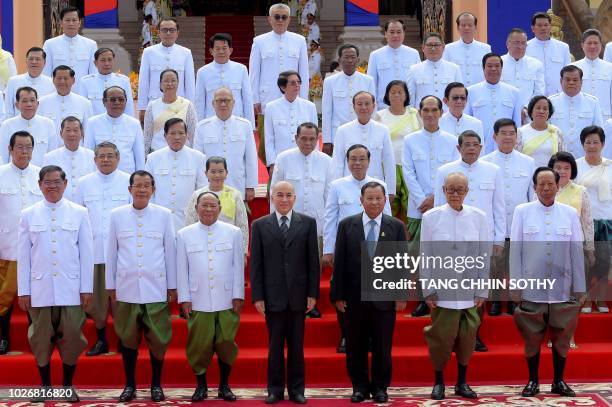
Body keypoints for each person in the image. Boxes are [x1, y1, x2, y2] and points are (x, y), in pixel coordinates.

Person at [17, 165, 94, 402]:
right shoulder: (28, 214)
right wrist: (24, 290)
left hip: (71, 289)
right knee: (39, 339)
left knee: (72, 338)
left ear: (66, 184)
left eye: (57, 182)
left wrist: (86, 288)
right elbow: (24, 256)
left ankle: (68, 386)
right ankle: (45, 386)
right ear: (39, 185)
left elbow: (87, 253)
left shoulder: (79, 212)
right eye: (47, 183)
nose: (52, 187)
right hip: (40, 289)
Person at [510, 167, 585, 398]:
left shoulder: (570, 213)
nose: (545, 188)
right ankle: (533, 381)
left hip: (562, 288)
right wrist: (515, 283)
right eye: (541, 184)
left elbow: (576, 251)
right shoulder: (522, 211)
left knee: (562, 338)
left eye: (550, 184)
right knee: (532, 338)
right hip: (532, 287)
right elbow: (516, 249)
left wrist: (580, 286)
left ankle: (558, 381)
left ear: (557, 186)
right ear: (534, 187)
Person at [330, 181, 407, 403]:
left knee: (383, 347)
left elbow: (401, 263)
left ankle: (381, 387)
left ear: (385, 201)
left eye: (378, 198)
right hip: (354, 299)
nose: (374, 202)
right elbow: (340, 262)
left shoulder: (396, 226)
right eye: (369, 198)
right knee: (355, 346)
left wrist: (401, 293)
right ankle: (359, 387)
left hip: (384, 300)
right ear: (361, 200)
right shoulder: (347, 225)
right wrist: (338, 295)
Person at [105, 170, 177, 402]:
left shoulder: (164, 215)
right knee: (127, 339)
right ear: (129, 189)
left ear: (153, 190)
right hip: (126, 288)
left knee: (158, 339)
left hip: (156, 287)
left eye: (147, 185)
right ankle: (130, 385)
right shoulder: (117, 215)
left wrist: (172, 285)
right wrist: (110, 285)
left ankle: (156, 384)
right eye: (138, 185)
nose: (142, 189)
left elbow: (170, 252)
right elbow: (111, 252)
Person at [421, 172, 491, 400]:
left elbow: (484, 255)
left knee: (467, 338)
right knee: (441, 338)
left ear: (467, 192)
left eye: (460, 189)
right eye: (450, 189)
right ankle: (439, 382)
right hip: (442, 289)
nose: (455, 193)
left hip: (470, 290)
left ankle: (462, 382)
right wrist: (428, 288)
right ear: (443, 191)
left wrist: (482, 289)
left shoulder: (479, 217)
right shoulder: (431, 217)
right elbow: (426, 254)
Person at [435, 131, 506, 351]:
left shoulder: (493, 171)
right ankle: (452, 335)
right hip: (451, 240)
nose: (472, 148)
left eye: (476, 145)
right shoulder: (445, 171)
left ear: (481, 147)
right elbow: (438, 210)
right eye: (467, 145)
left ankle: (474, 335)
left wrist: (499, 240)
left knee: (477, 289)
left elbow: (499, 208)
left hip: (480, 239)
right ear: (459, 148)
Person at [250, 181, 320, 404]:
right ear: (272, 197)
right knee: (275, 346)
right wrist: (258, 296)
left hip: (299, 296)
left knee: (297, 347)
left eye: (288, 195)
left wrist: (312, 294)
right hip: (273, 297)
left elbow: (313, 262)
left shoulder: (307, 223)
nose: (284, 199)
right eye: (279, 195)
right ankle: (275, 389)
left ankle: (297, 390)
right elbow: (256, 265)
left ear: (295, 198)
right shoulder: (260, 225)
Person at [323, 145, 391, 352]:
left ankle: (371, 336)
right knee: (344, 291)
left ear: (369, 161)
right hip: (347, 249)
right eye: (353, 159)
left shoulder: (380, 185)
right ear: (347, 161)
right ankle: (346, 335)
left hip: (374, 246)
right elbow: (330, 217)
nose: (358, 163)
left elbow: (387, 217)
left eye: (362, 159)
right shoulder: (337, 185)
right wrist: (328, 249)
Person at [177, 191, 244, 402]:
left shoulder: (233, 232)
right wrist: (184, 298)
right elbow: (181, 269)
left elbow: (238, 267)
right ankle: (201, 386)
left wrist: (238, 295)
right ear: (196, 208)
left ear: (220, 209)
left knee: (226, 342)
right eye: (204, 206)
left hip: (226, 298)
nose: (208, 209)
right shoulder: (184, 234)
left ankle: (224, 385)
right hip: (198, 299)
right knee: (199, 345)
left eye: (212, 206)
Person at [402, 95, 459, 317]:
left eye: (434, 110)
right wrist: (421, 200)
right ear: (419, 113)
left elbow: (454, 172)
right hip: (418, 209)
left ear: (441, 112)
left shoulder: (452, 140)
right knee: (418, 255)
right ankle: (422, 299)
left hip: (443, 206)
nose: (430, 114)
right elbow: (408, 171)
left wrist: (437, 198)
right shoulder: (410, 140)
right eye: (425, 110)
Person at [74, 141, 131, 357]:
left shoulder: (129, 181)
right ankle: (101, 340)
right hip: (94, 251)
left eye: (110, 155)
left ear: (118, 158)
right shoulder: (84, 183)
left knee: (121, 299)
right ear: (94, 159)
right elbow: (78, 217)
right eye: (101, 156)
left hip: (121, 252)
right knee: (97, 301)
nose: (106, 160)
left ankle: (125, 340)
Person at [270, 122, 332, 318]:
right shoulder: (284, 158)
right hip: (289, 223)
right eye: (303, 138)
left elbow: (329, 197)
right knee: (291, 265)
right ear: (296, 138)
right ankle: (290, 302)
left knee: (313, 266)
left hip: (317, 223)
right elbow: (274, 192)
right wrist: (275, 224)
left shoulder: (326, 161)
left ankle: (311, 302)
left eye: (312, 139)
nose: (307, 142)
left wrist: (329, 228)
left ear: (317, 139)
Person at [482, 118, 535, 316]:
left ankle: (514, 300)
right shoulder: (485, 162)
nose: (508, 137)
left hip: (518, 222)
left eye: (511, 133)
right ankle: (495, 300)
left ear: (516, 136)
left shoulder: (528, 162)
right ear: (495, 137)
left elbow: (531, 194)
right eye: (503, 133)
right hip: (495, 223)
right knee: (496, 264)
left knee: (517, 264)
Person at [0, 131, 43, 355]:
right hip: (6, 246)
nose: (24, 152)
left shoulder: (41, 176)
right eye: (20, 147)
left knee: (35, 296)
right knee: (3, 297)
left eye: (28, 147)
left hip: (36, 248)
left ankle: (37, 340)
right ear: (10, 149)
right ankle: (3, 337)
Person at [193, 87, 258, 201]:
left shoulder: (245, 125)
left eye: (227, 100)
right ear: (213, 103)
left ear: (233, 103)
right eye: (219, 101)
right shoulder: (202, 127)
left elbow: (251, 158)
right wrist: (200, 187)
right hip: (209, 187)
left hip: (236, 184)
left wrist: (250, 186)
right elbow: (198, 161)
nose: (223, 104)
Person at [145, 117, 207, 231]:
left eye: (181, 133)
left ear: (187, 135)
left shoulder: (198, 158)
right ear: (165, 136)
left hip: (188, 219)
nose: (177, 137)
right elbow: (149, 190)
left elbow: (202, 190)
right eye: (172, 133)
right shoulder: (153, 158)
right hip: (160, 219)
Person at [249, 3, 309, 117]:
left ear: (289, 20)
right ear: (269, 19)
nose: (280, 20)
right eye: (277, 17)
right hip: (268, 96)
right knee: (268, 132)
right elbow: (254, 73)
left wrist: (304, 98)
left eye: (284, 17)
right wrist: (254, 98)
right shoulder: (259, 41)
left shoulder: (299, 40)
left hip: (293, 95)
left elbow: (304, 73)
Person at [331, 91, 396, 196]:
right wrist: (336, 189)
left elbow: (389, 162)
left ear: (374, 106)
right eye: (360, 104)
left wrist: (391, 190)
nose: (363, 107)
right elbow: (337, 162)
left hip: (376, 188)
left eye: (367, 104)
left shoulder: (383, 130)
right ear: (354, 107)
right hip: (348, 187)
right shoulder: (343, 130)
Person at [374, 80, 422, 220]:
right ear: (387, 96)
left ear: (406, 95)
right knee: (391, 204)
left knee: (410, 204)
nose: (396, 95)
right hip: (388, 166)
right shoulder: (380, 115)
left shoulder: (414, 113)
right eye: (393, 92)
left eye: (400, 92)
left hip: (410, 166)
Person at [575, 126, 611, 313]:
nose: (591, 145)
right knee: (586, 262)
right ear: (582, 144)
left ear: (603, 144)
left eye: (595, 142)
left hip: (606, 221)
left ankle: (601, 299)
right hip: (582, 221)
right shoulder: (575, 165)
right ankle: (586, 299)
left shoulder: (610, 165)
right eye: (587, 142)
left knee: (604, 262)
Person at [185, 156, 249, 254]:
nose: (217, 175)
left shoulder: (235, 195)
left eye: (220, 171)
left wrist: (243, 251)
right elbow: (190, 222)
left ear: (226, 173)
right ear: (206, 173)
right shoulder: (197, 195)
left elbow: (242, 225)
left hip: (228, 244)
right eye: (213, 172)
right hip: (202, 244)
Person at [548, 151, 595, 285]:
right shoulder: (544, 189)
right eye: (558, 167)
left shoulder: (581, 190)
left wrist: (590, 248)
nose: (562, 171)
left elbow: (587, 221)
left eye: (566, 168)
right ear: (551, 169)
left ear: (572, 169)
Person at [138, 17, 195, 122]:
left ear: (177, 33)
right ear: (158, 32)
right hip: (155, 104)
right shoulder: (149, 52)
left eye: (172, 30)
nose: (168, 33)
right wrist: (142, 107)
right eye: (164, 30)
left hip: (179, 106)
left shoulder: (185, 53)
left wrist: (190, 107)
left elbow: (190, 83)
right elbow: (144, 81)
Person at [322, 44, 375, 154]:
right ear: (339, 60)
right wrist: (327, 140)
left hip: (362, 132)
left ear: (358, 60)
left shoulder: (368, 80)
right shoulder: (330, 81)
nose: (350, 60)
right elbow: (327, 112)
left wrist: (372, 133)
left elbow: (372, 109)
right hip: (338, 133)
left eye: (353, 57)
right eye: (346, 57)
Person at [465, 53, 521, 154]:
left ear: (502, 68)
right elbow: (467, 119)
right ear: (483, 68)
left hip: (505, 146)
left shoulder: (514, 92)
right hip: (479, 146)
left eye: (497, 66)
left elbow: (517, 123)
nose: (493, 69)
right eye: (489, 66)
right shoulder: (471, 91)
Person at [195, 33, 254, 127]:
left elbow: (247, 99)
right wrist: (199, 125)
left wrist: (250, 124)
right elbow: (199, 102)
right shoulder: (202, 72)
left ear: (230, 50)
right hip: (211, 122)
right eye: (217, 48)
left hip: (237, 121)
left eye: (224, 48)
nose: (221, 51)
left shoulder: (241, 69)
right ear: (211, 51)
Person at [85, 86, 145, 174]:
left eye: (121, 99)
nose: (117, 103)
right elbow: (88, 154)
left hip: (127, 177)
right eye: (113, 100)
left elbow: (139, 157)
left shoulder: (134, 124)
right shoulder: (93, 123)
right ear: (104, 102)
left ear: (126, 101)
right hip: (100, 176)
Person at [264, 71, 318, 170]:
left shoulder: (310, 106)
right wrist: (272, 163)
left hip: (305, 158)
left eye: (299, 82)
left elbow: (315, 136)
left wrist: (315, 159)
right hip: (281, 160)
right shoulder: (271, 107)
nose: (297, 85)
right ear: (283, 87)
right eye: (293, 83)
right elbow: (269, 138)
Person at [549, 65, 603, 159]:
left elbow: (599, 131)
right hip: (557, 157)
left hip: (584, 156)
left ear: (581, 82)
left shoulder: (592, 102)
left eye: (575, 80)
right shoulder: (551, 102)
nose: (571, 83)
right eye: (567, 79)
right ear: (561, 81)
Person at [367, 19, 421, 107]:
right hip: (384, 106)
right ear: (385, 34)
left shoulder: (413, 53)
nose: (395, 35)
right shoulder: (376, 55)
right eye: (391, 32)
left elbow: (418, 81)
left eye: (399, 32)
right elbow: (372, 84)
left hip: (407, 106)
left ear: (404, 34)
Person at [143, 69, 197, 154]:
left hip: (182, 153)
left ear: (178, 83)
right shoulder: (152, 106)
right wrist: (145, 157)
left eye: (173, 80)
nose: (170, 84)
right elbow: (147, 136)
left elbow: (194, 135)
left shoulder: (187, 105)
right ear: (160, 84)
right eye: (166, 81)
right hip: (158, 154)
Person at [0, 86, 57, 166]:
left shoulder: (48, 124)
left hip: (42, 175)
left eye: (32, 100)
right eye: (24, 101)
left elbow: (52, 155)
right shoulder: (7, 125)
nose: (29, 104)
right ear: (17, 105)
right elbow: (3, 157)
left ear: (37, 104)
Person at [42, 116, 95, 201]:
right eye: (68, 130)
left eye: (75, 130)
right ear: (61, 133)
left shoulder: (92, 156)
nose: (72, 134)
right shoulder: (50, 157)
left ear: (82, 133)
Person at [407, 33, 462, 110]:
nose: (433, 48)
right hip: (422, 118)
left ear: (443, 47)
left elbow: (460, 95)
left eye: (436, 45)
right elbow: (410, 98)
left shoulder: (454, 69)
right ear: (423, 48)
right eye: (429, 45)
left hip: (446, 117)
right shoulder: (414, 70)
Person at [42, 6, 97, 83]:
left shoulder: (91, 44)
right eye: (67, 20)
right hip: (57, 91)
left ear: (79, 23)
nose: (71, 23)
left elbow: (93, 73)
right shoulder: (50, 44)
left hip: (81, 92)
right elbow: (46, 72)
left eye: (74, 20)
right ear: (61, 23)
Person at [77, 48, 136, 117]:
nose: (107, 63)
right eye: (103, 60)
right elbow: (82, 108)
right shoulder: (86, 82)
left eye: (109, 60)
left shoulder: (123, 80)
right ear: (95, 63)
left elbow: (129, 107)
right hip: (94, 125)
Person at [38, 65, 94, 136]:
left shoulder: (85, 103)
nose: (62, 81)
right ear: (53, 80)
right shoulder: (42, 102)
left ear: (73, 80)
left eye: (65, 78)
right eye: (59, 78)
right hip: (52, 146)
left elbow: (88, 132)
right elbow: (39, 128)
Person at [501, 28, 545, 117]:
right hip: (503, 111)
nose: (520, 46)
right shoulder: (499, 63)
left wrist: (526, 108)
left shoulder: (536, 64)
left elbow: (539, 92)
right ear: (507, 44)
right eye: (516, 43)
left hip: (528, 114)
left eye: (523, 43)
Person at [526, 11, 571, 96]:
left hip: (558, 95)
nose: (543, 28)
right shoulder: (526, 47)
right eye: (539, 25)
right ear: (533, 28)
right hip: (534, 96)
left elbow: (568, 73)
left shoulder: (563, 47)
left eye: (546, 25)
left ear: (550, 27)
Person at [572, 29, 612, 122]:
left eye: (596, 43)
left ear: (601, 45)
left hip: (605, 118)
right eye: (589, 43)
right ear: (582, 45)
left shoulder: (610, 68)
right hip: (580, 116)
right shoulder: (573, 67)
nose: (592, 46)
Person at [442, 12, 491, 87]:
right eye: (463, 25)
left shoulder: (485, 48)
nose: (466, 28)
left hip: (478, 91)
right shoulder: (448, 48)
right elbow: (445, 71)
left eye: (470, 25)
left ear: (475, 27)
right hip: (456, 94)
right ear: (458, 27)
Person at [4, 47, 54, 118]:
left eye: (37, 59)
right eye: (31, 59)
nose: (34, 62)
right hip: (18, 126)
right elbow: (8, 109)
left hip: (42, 126)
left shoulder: (52, 83)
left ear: (44, 62)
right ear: (26, 61)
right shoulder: (13, 81)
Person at [517, 95, 565, 167]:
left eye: (545, 109)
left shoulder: (556, 131)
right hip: (527, 174)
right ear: (531, 111)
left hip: (551, 175)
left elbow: (562, 157)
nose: (541, 111)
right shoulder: (520, 132)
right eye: (538, 108)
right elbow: (517, 156)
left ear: (549, 112)